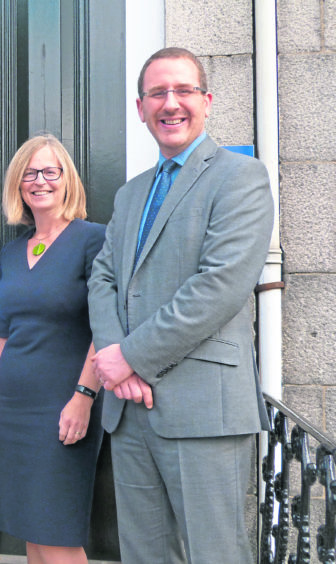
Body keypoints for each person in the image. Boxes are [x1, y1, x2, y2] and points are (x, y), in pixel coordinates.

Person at [87, 47, 274, 563]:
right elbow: (102, 277)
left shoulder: (241, 178)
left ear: (207, 101)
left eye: (183, 90)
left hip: (203, 410)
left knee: (217, 554)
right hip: (128, 412)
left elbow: (219, 287)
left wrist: (131, 357)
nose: (170, 103)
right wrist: (112, 356)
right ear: (140, 107)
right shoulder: (131, 195)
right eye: (157, 93)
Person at [0, 134, 105, 564]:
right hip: (14, 407)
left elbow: (106, 327)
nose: (40, 181)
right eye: (30, 173)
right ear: (19, 184)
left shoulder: (94, 240)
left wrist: (84, 397)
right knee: (32, 534)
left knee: (56, 532)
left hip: (64, 404)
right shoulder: (13, 251)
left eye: (51, 171)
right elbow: (0, 331)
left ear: (68, 179)